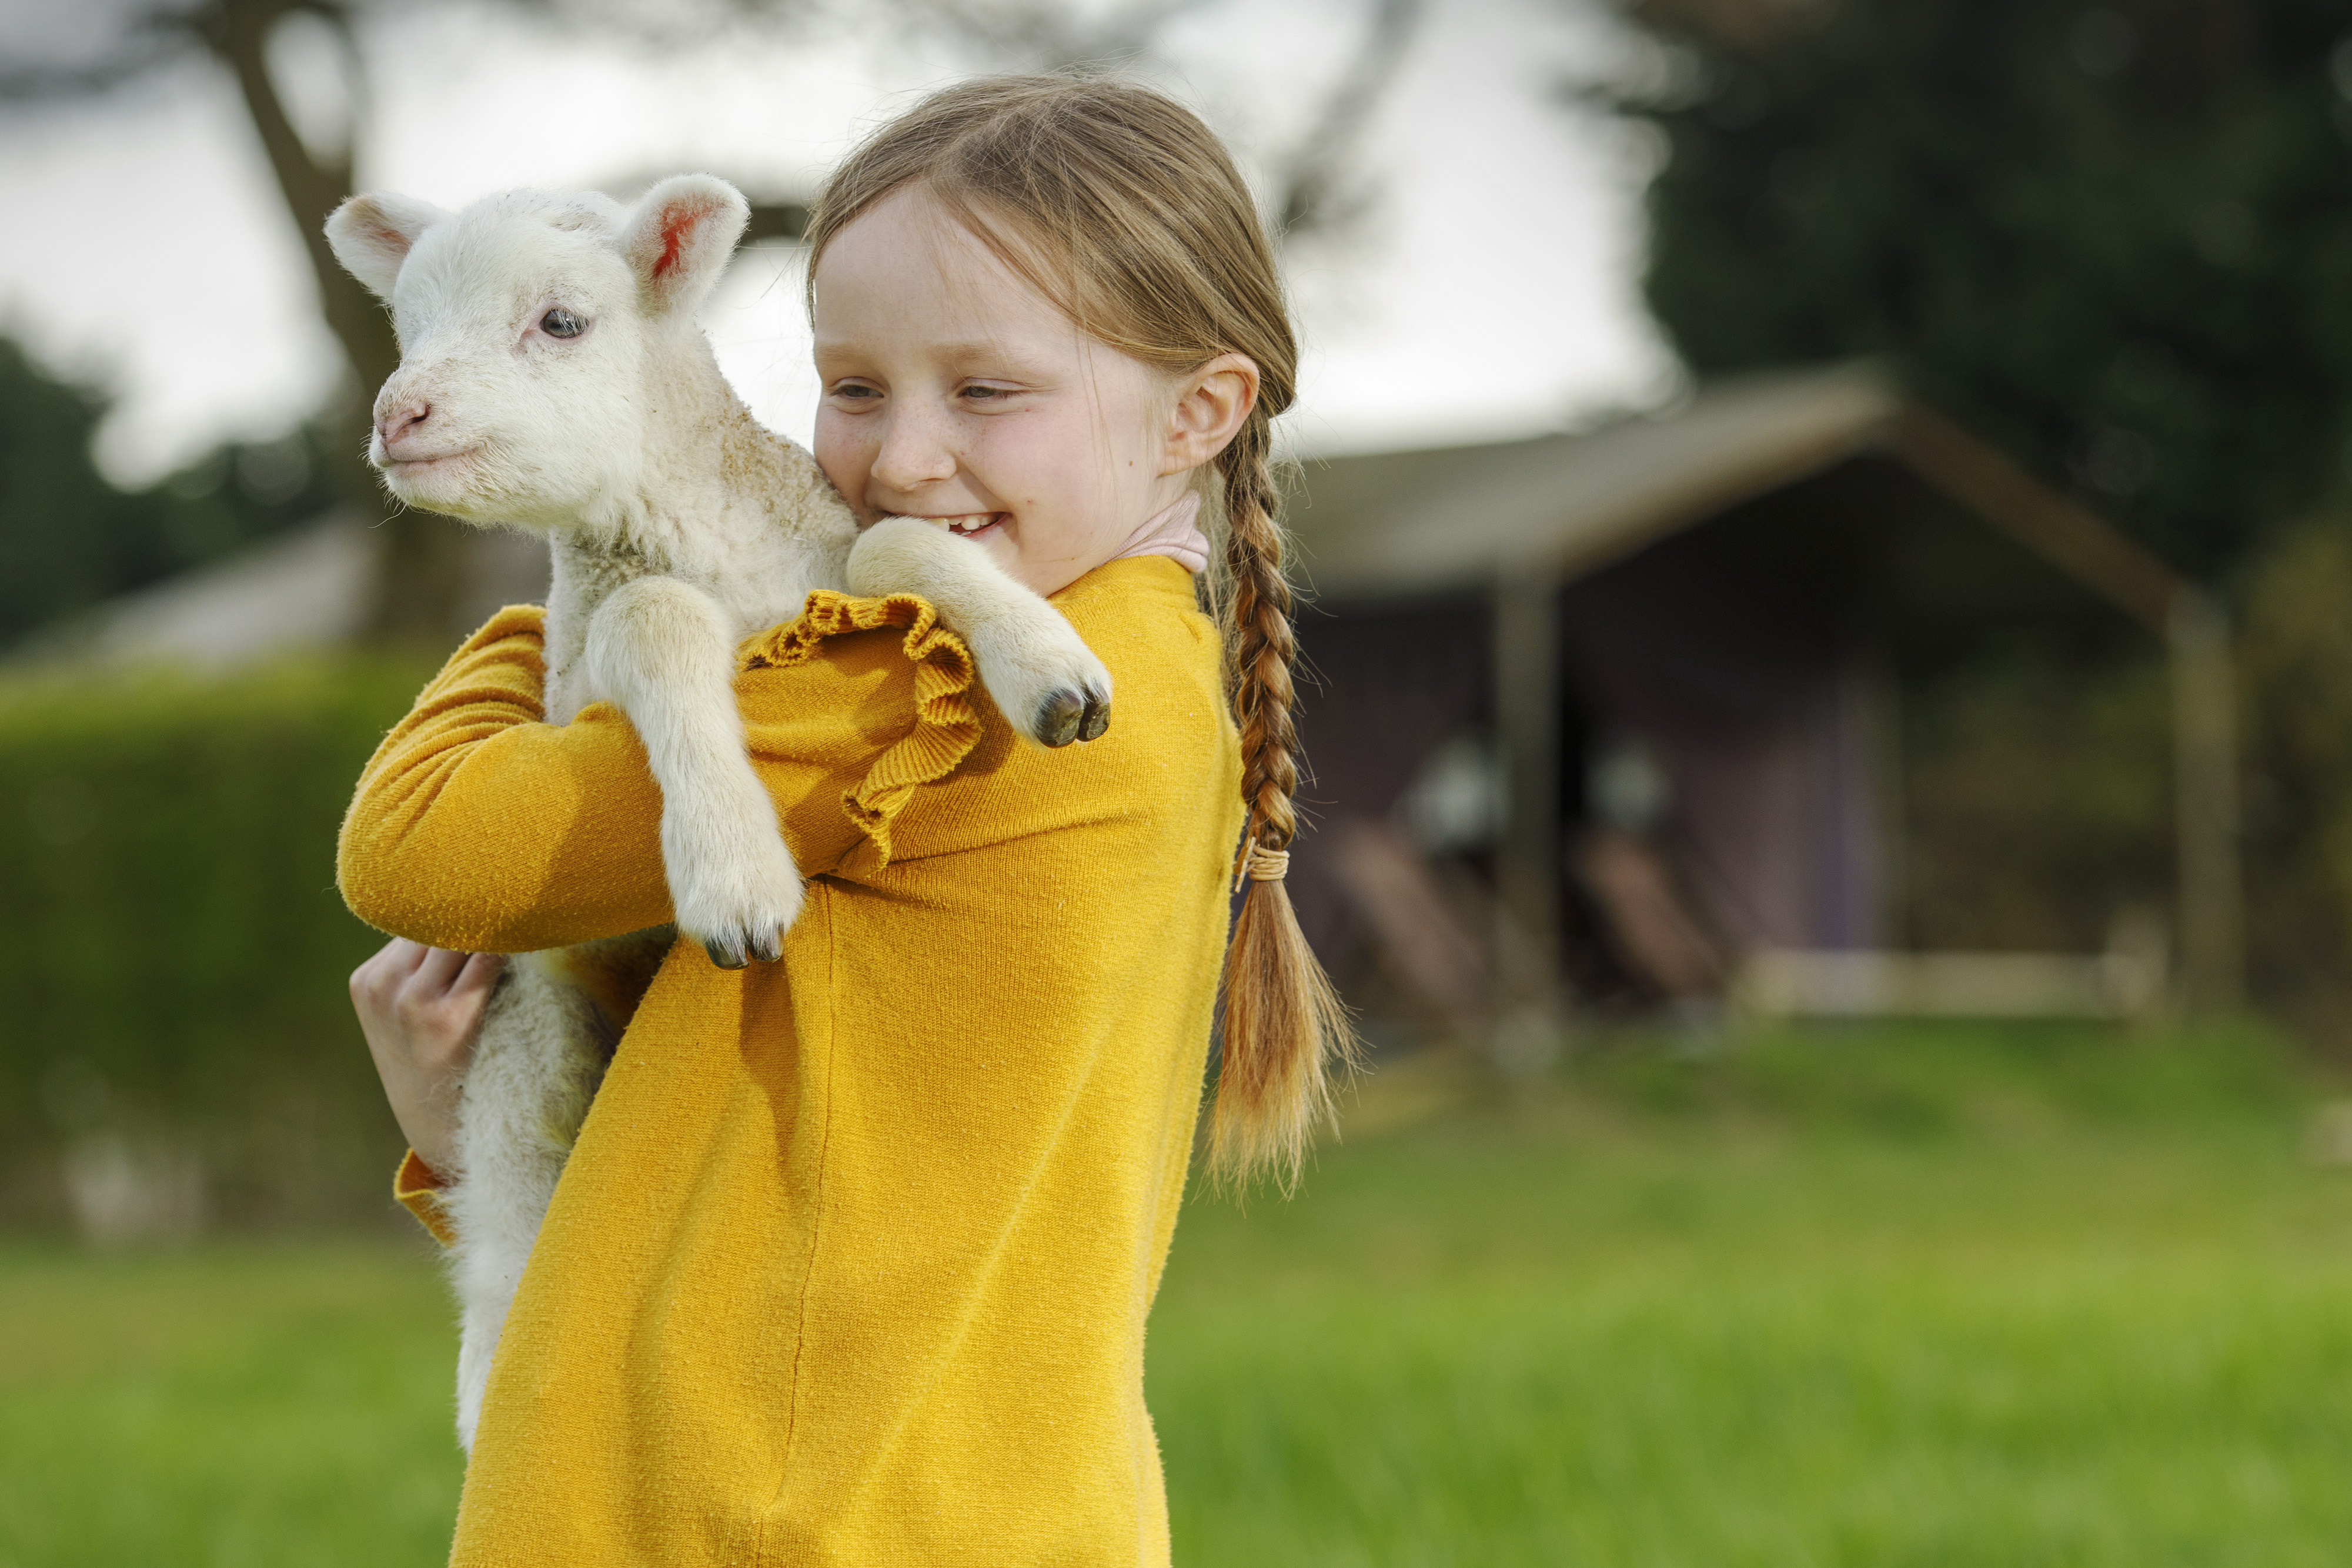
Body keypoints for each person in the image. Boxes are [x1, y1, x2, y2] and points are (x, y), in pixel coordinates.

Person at [338, 74, 1351, 1566]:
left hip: (776, 1507)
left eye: (985, 391)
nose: (901, 458)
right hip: (942, 1492)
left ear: (1197, 412)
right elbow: (793, 1154)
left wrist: (566, 577)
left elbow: (419, 849)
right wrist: (462, 1145)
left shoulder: (924, 691)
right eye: (854, 386)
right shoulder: (1133, 662)